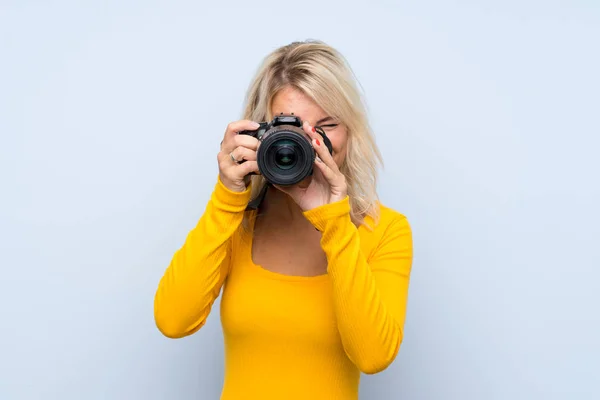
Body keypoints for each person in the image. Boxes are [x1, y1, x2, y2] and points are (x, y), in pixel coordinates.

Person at [153, 40, 413, 400]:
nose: (311, 144)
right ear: (259, 133)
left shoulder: (384, 231)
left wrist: (333, 219)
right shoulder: (237, 222)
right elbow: (173, 320)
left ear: (351, 132)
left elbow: (373, 356)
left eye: (327, 125)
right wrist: (228, 195)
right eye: (293, 129)